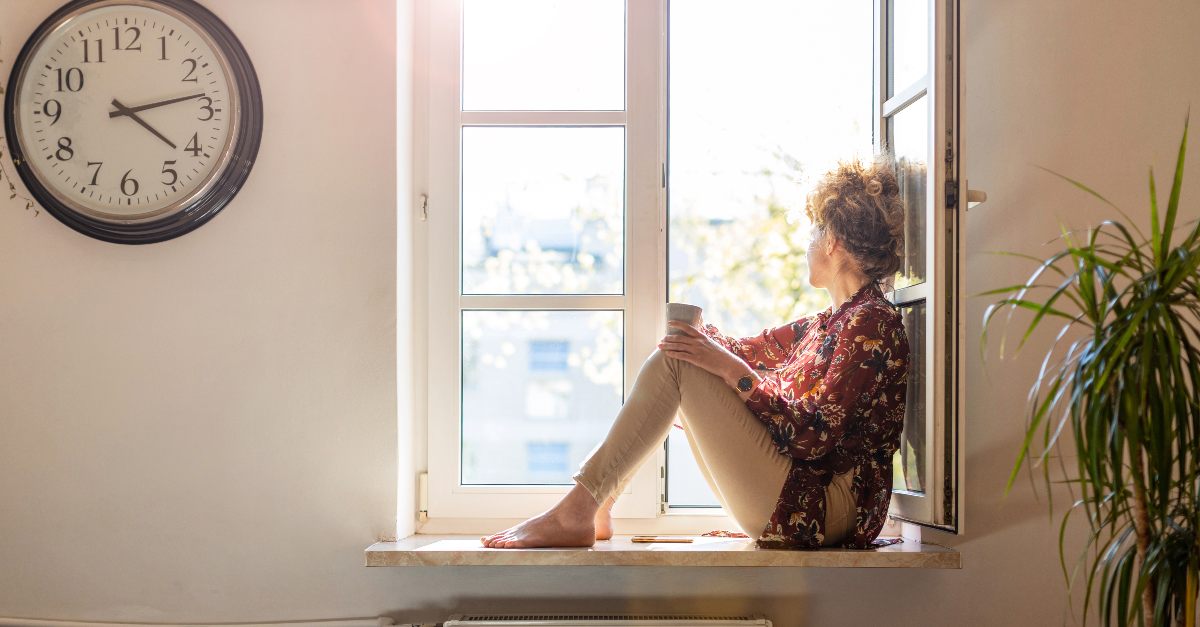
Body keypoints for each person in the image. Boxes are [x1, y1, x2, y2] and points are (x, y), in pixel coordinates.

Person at [480, 156, 911, 550]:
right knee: (681, 361)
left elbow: (813, 435)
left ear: (833, 239)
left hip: (825, 509)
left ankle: (581, 509)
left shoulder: (870, 322)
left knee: (679, 364)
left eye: (813, 231)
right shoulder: (826, 323)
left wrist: (722, 367)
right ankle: (597, 504)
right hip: (803, 498)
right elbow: (739, 349)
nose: (807, 244)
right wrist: (693, 340)